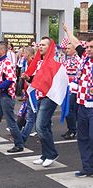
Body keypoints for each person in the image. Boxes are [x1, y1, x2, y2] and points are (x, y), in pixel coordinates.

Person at [22, 37, 59, 167]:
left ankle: (52, 154)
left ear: (49, 47)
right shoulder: (40, 62)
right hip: (39, 96)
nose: (40, 47)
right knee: (45, 126)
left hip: (49, 97)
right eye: (40, 45)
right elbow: (38, 79)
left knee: (40, 126)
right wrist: (29, 78)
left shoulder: (53, 61)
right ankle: (45, 155)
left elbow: (52, 80)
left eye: (43, 45)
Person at [64, 24, 93, 177]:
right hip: (82, 104)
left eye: (91, 47)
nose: (88, 49)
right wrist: (68, 31)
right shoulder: (84, 58)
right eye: (87, 47)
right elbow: (75, 43)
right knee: (83, 138)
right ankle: (88, 168)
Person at [60, 43, 80, 140]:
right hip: (66, 87)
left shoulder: (77, 60)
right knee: (66, 109)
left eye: (68, 48)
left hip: (73, 88)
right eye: (66, 48)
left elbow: (77, 75)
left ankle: (73, 130)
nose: (66, 50)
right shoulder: (66, 59)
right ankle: (70, 129)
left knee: (70, 109)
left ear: (74, 50)